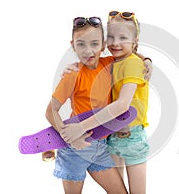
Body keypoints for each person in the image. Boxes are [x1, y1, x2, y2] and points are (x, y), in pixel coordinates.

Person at [60, 11, 150, 194]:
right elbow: (89, 63)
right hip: (111, 134)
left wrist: (81, 127)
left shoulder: (132, 63)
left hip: (132, 135)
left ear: (135, 41)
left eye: (123, 37)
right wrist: (71, 68)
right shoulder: (112, 62)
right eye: (111, 37)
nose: (115, 42)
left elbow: (122, 105)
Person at [45, 16, 128, 194]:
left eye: (94, 44)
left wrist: (147, 61)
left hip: (100, 147)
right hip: (74, 150)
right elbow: (50, 111)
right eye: (81, 44)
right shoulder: (73, 74)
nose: (87, 50)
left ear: (103, 45)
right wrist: (69, 136)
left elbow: (131, 57)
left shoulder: (110, 64)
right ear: (73, 45)